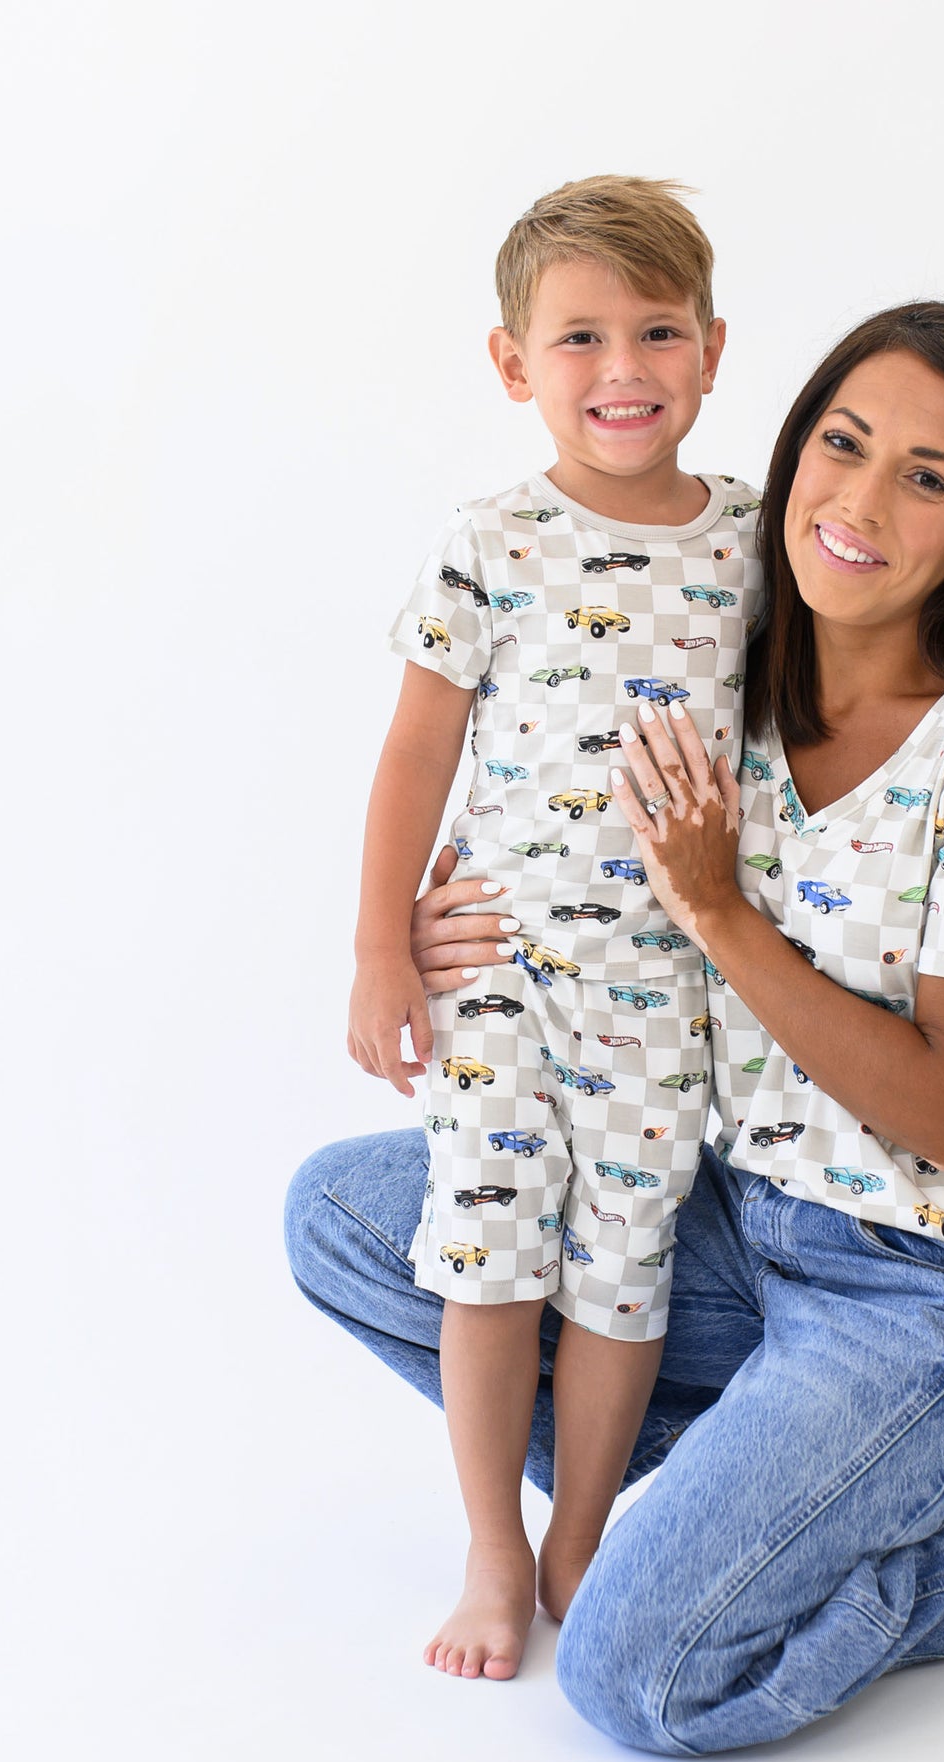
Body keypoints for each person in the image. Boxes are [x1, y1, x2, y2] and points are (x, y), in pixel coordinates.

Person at [289, 298, 944, 1751]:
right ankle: (824, 1482)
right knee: (349, 1220)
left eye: (926, 479)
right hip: (744, 1230)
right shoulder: (729, 659)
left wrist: (719, 913)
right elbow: (532, 785)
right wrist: (444, 922)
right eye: (844, 444)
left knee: (640, 1677)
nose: (860, 502)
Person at [346, 174, 762, 1681]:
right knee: (486, 1253)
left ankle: (583, 1529)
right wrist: (383, 943)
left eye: (658, 332)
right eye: (580, 339)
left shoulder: (758, 549)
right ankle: (491, 1545)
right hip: (503, 963)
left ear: (714, 349)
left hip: (668, 986)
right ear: (515, 365)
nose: (625, 371)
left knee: (622, 1265)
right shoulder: (495, 539)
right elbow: (416, 750)